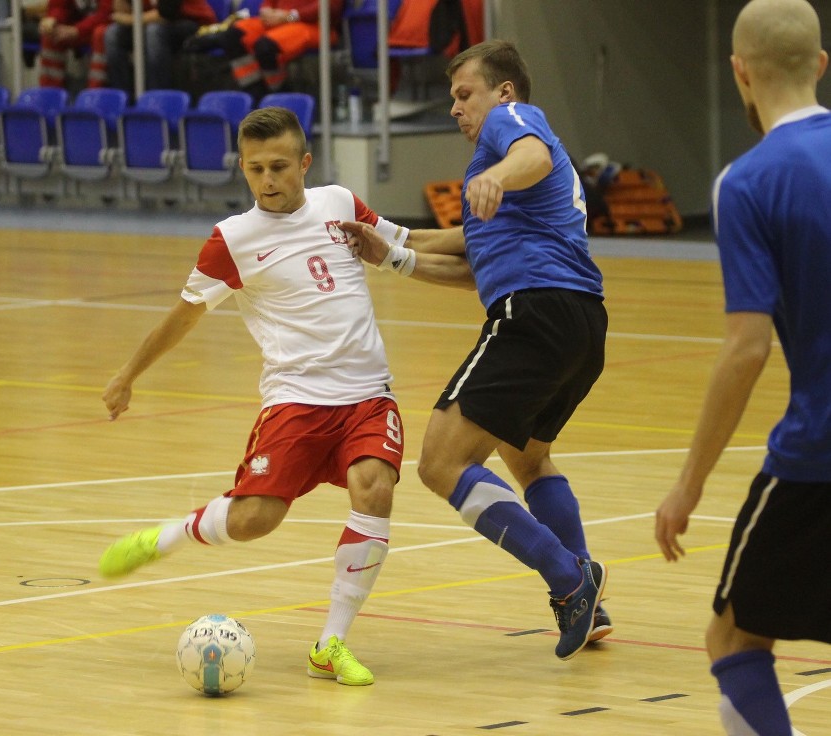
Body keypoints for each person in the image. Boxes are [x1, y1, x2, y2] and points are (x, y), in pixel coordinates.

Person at [97, 106, 448, 686]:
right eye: (256, 168)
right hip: (296, 399)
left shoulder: (339, 202)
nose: (268, 180)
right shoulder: (232, 239)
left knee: (375, 488)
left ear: (304, 164)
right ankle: (165, 537)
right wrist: (128, 375)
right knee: (256, 519)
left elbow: (406, 242)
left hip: (368, 396)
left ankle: (331, 643)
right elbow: (182, 318)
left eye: (280, 166)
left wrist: (490, 241)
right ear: (242, 168)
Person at [342, 39, 611, 661]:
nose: (457, 109)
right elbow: (475, 262)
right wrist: (393, 251)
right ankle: (590, 602)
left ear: (504, 93)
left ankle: (570, 580)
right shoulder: (505, 199)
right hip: (579, 323)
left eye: (466, 95)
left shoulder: (514, 130)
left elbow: (531, 154)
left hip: (534, 315)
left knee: (439, 463)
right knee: (529, 460)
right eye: (453, 99)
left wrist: (494, 173)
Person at [654, 1, 831, 734]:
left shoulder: (749, 182)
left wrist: (687, 486)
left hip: (817, 455)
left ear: (740, 73)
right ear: (821, 64)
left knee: (733, 638)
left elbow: (747, 348)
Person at [184, 0, 344, 99]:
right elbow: (268, 3)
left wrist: (290, 16)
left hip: (315, 25)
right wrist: (266, 10)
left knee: (265, 46)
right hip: (280, 21)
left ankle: (279, 96)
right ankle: (256, 93)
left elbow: (331, 7)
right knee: (232, 36)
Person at [104, 0, 216, 95]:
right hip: (149, 22)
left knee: (153, 32)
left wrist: (129, 20)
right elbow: (120, 12)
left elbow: (166, 13)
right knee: (112, 33)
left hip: (193, 23)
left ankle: (158, 97)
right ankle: (122, 99)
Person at [37, 0, 112, 89]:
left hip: (100, 26)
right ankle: (49, 93)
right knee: (51, 34)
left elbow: (107, 13)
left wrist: (77, 30)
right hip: (77, 27)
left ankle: (96, 95)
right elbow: (58, 5)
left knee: (101, 34)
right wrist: (53, 18)